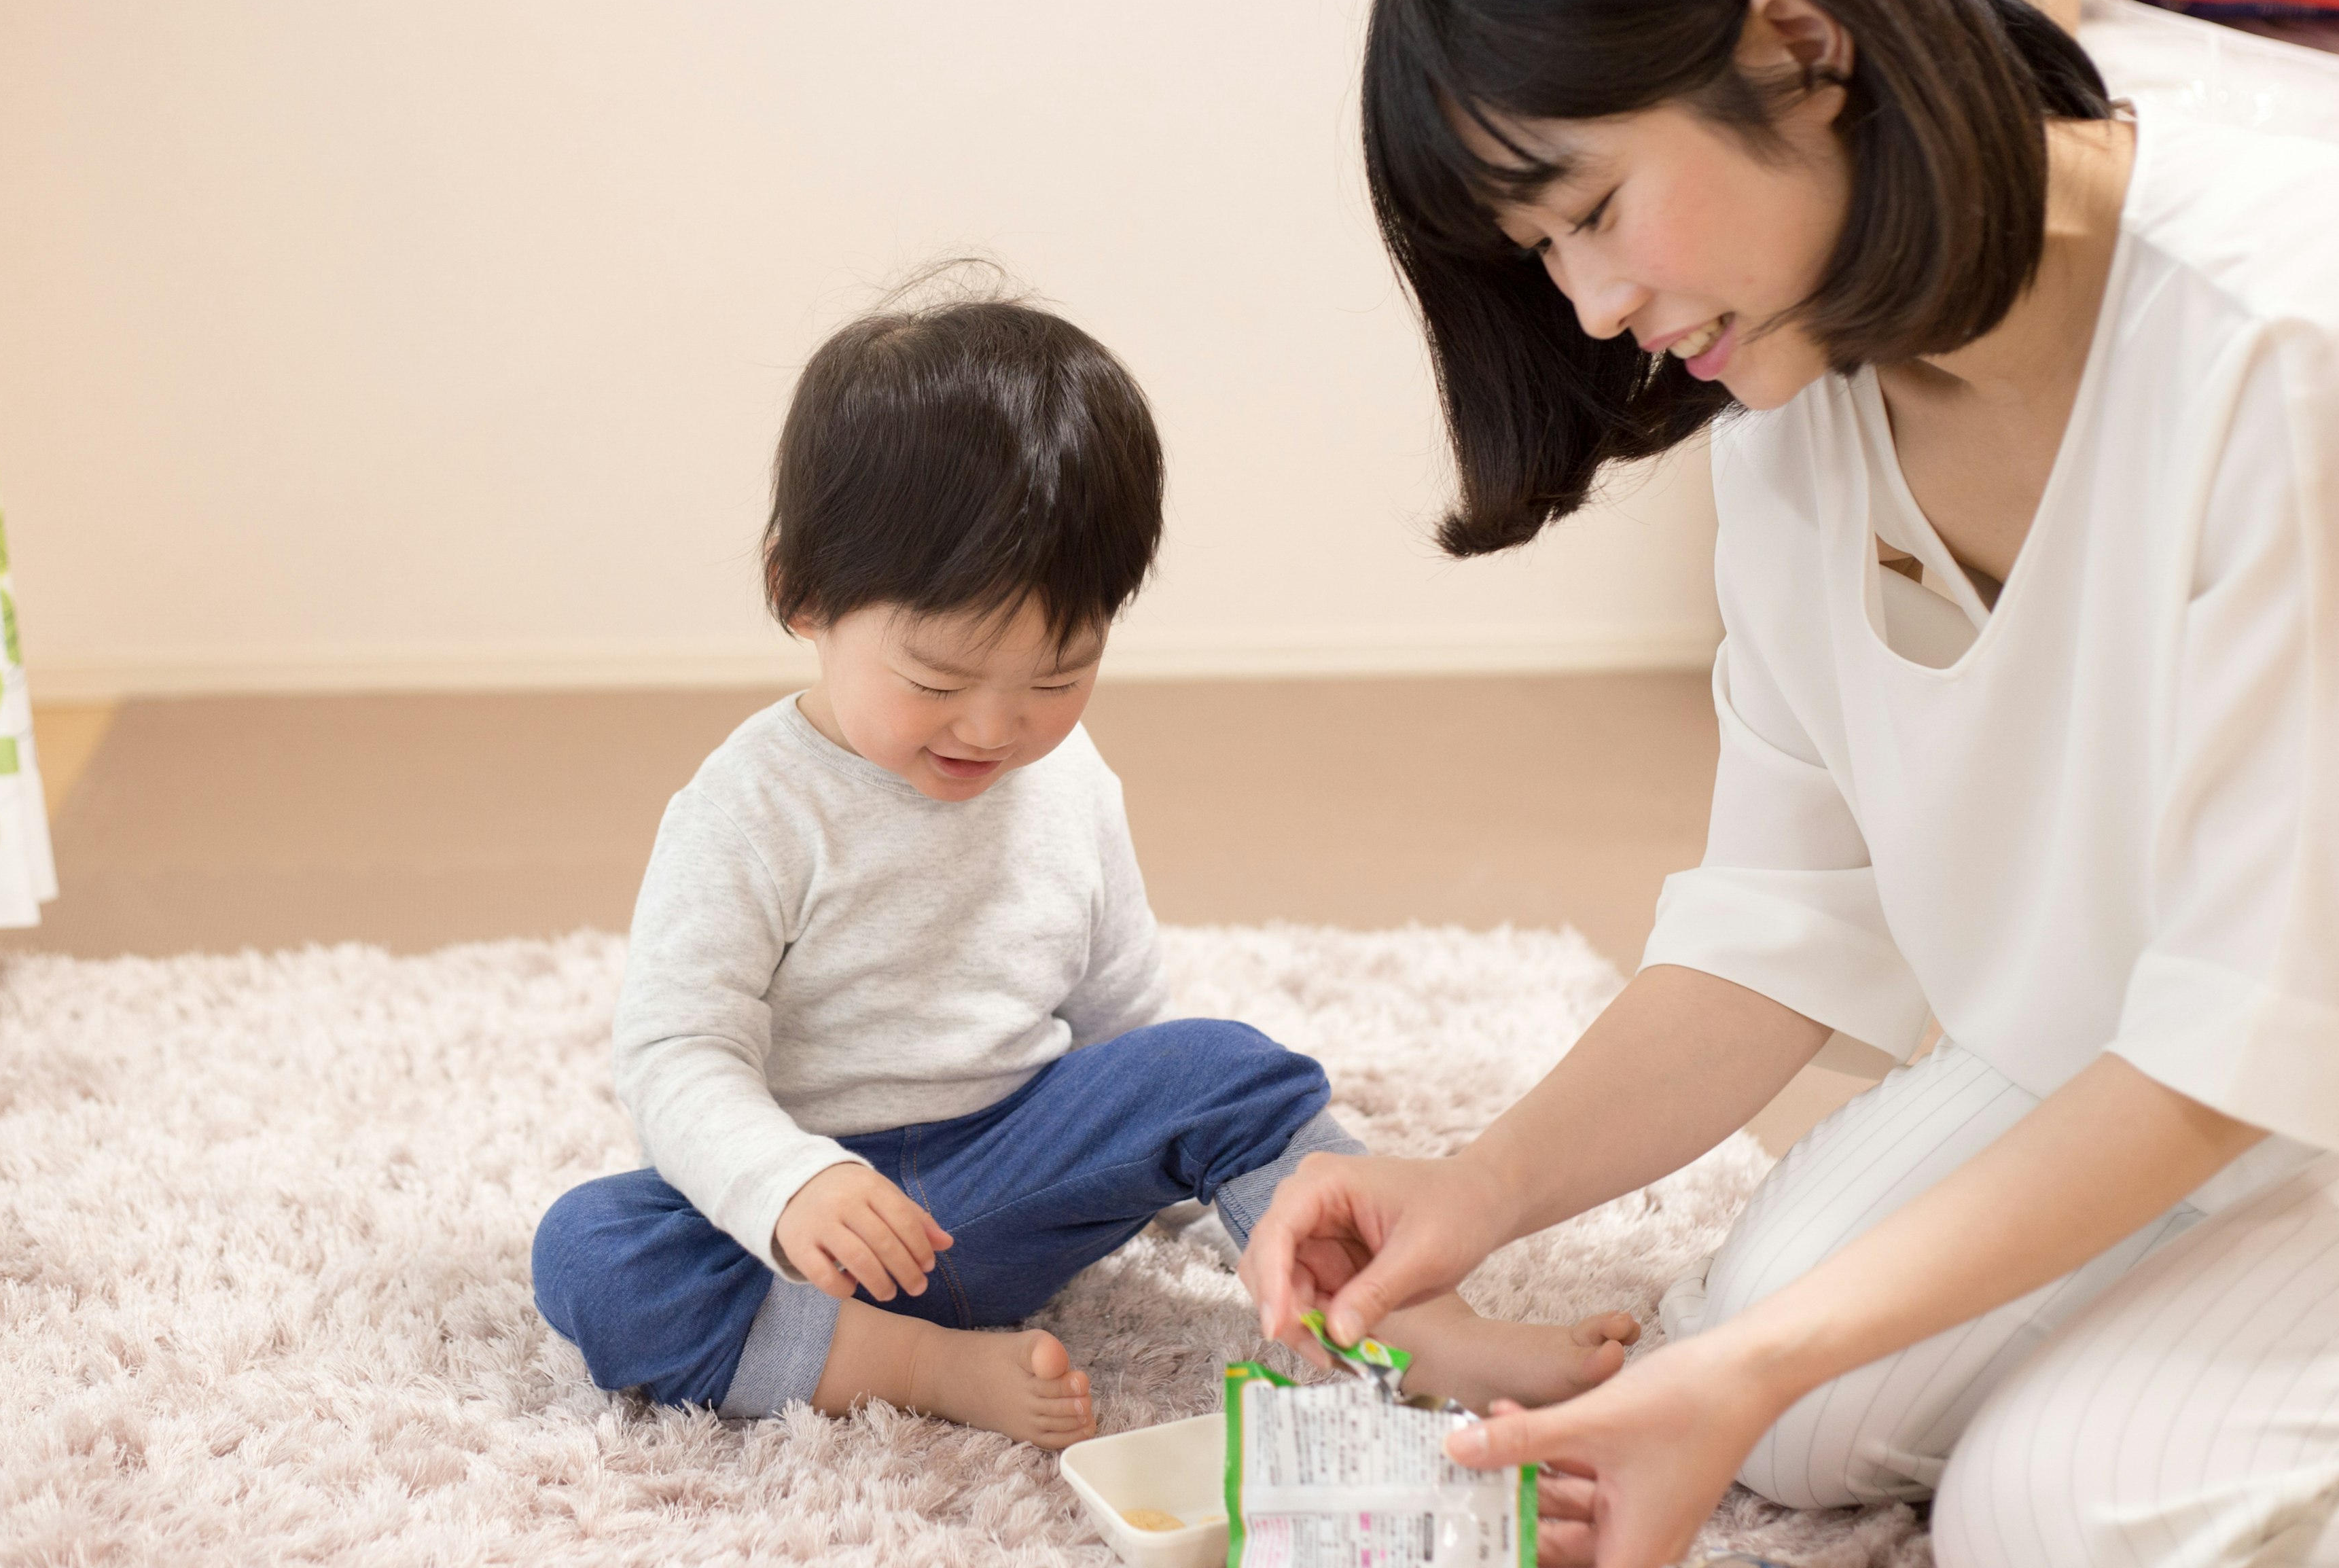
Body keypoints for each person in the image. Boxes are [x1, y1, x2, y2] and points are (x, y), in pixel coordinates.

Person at [1239, 0, 2339, 1564]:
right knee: (1791, 1388)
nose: (1599, 306)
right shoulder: (1797, 416)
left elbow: (2248, 1030)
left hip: (2316, 1055)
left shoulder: (2295, 339)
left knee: (2052, 1507)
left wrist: (1758, 1361)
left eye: (1597, 208)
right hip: (2134, 1041)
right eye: (1543, 249)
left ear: (1799, 41)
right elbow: (1780, 918)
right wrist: (1475, 1192)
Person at [531, 274, 1636, 1448]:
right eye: (939, 682)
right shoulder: (749, 808)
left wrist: (1203, 1185)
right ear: (796, 592)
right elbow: (675, 1049)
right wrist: (786, 1182)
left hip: (1014, 1186)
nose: (995, 730)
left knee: (1227, 1067)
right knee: (591, 1256)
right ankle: (910, 1366)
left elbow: (1124, 1034)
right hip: (816, 1239)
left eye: (1058, 680)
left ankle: (1403, 1319)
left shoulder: (1069, 783)